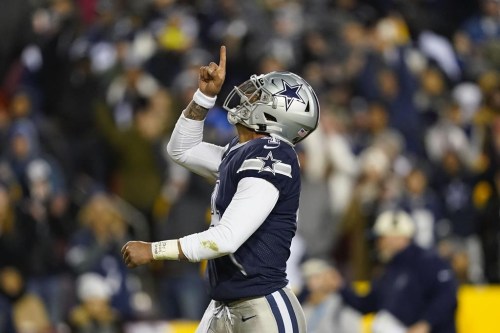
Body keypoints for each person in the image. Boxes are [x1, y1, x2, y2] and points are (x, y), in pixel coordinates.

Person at [121, 45, 320, 332]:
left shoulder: (273, 156)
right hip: (224, 305)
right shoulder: (242, 150)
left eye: (258, 95)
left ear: (274, 115)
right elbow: (181, 149)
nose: (246, 95)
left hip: (263, 309)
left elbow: (226, 238)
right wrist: (203, 97)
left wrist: (155, 250)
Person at [336, 210, 458, 333]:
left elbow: (447, 297)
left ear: (398, 237)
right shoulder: (388, 269)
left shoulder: (429, 261)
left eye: (381, 238)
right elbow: (368, 304)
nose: (378, 244)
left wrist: (426, 323)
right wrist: (339, 286)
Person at [300, 258, 362, 333]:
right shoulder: (304, 306)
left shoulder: (341, 307)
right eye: (308, 278)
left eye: (316, 277)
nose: (312, 282)